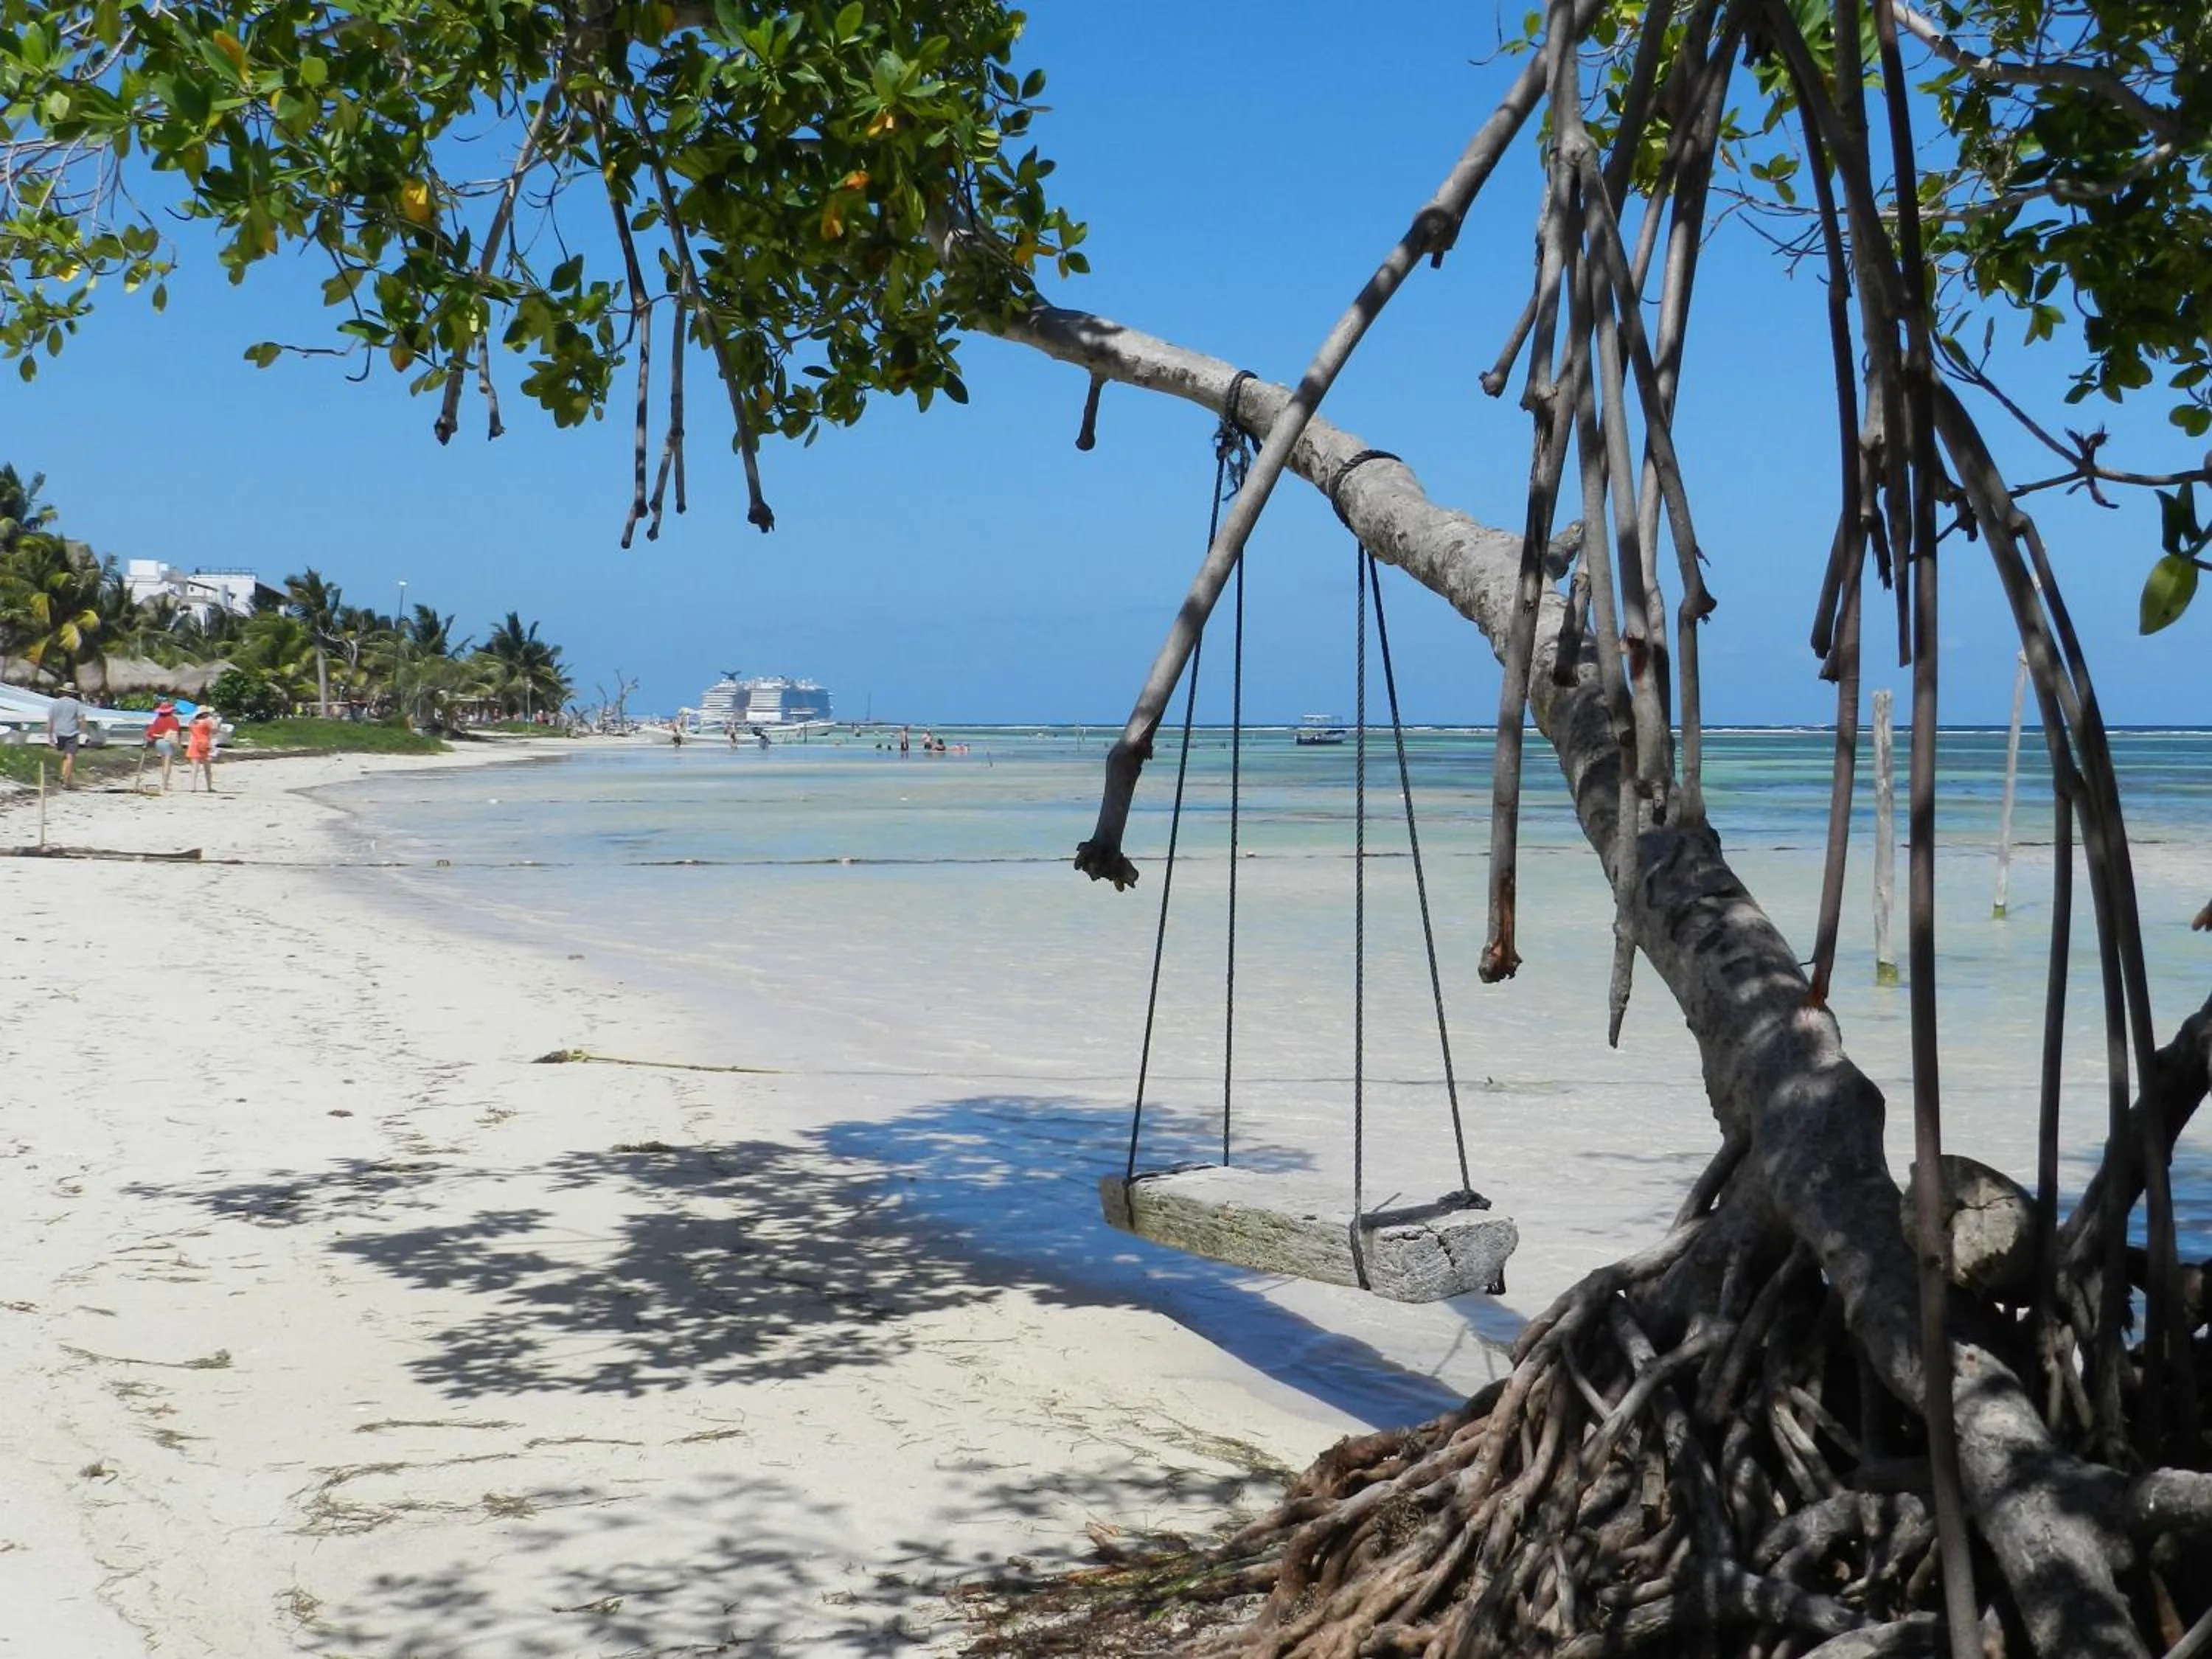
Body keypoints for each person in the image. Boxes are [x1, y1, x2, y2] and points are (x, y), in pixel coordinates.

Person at [45, 681, 84, 788]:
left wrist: (50, 737)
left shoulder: (55, 704)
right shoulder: (77, 704)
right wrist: (83, 731)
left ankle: (64, 776)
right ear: (73, 693)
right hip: (71, 732)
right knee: (70, 756)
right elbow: (81, 719)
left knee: (65, 756)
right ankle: (67, 780)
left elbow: (50, 721)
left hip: (59, 732)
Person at [144, 699, 181, 793]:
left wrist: (157, 736)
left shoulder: (157, 720)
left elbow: (151, 733)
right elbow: (176, 733)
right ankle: (165, 784)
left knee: (163, 763)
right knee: (168, 764)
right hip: (168, 742)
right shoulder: (173, 720)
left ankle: (164, 783)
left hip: (159, 742)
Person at [186, 706, 219, 793]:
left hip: (194, 744)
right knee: (207, 768)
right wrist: (215, 720)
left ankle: (193, 787)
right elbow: (215, 731)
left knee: (194, 768)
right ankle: (209, 787)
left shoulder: (192, 722)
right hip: (205, 744)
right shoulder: (207, 722)